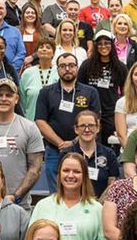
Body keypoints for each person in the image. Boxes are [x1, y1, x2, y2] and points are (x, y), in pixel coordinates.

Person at [35, 52, 102, 192]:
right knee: (56, 194)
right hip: (54, 151)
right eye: (63, 66)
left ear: (77, 68)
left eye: (71, 65)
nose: (67, 69)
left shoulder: (90, 92)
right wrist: (60, 143)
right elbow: (40, 121)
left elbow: (96, 121)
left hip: (83, 150)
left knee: (83, 191)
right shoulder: (45, 92)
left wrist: (73, 142)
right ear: (57, 68)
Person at [78, 31, 128, 143]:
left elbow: (127, 90)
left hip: (110, 113)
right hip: (89, 112)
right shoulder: (87, 65)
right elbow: (79, 88)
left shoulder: (120, 67)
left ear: (112, 45)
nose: (103, 46)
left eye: (106, 43)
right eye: (99, 44)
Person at [60, 111, 121, 196]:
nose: (87, 130)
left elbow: (112, 184)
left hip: (101, 205)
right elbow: (62, 184)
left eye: (91, 125)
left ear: (98, 128)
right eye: (82, 126)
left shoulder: (108, 153)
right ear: (76, 129)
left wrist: (97, 205)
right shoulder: (66, 154)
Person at [19, 38, 59, 121]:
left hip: (53, 124)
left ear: (53, 53)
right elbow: (22, 101)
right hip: (30, 122)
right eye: (41, 47)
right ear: (37, 52)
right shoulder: (27, 73)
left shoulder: (59, 72)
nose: (44, 49)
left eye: (48, 47)